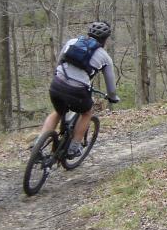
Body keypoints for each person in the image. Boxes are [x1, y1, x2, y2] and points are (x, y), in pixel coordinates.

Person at [39, 21, 120, 158]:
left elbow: (60, 61)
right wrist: (113, 97)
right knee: (87, 113)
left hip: (57, 84)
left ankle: (38, 143)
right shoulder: (105, 57)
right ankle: (73, 148)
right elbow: (111, 88)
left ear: (89, 33)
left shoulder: (72, 42)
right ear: (105, 39)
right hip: (77, 92)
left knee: (58, 112)